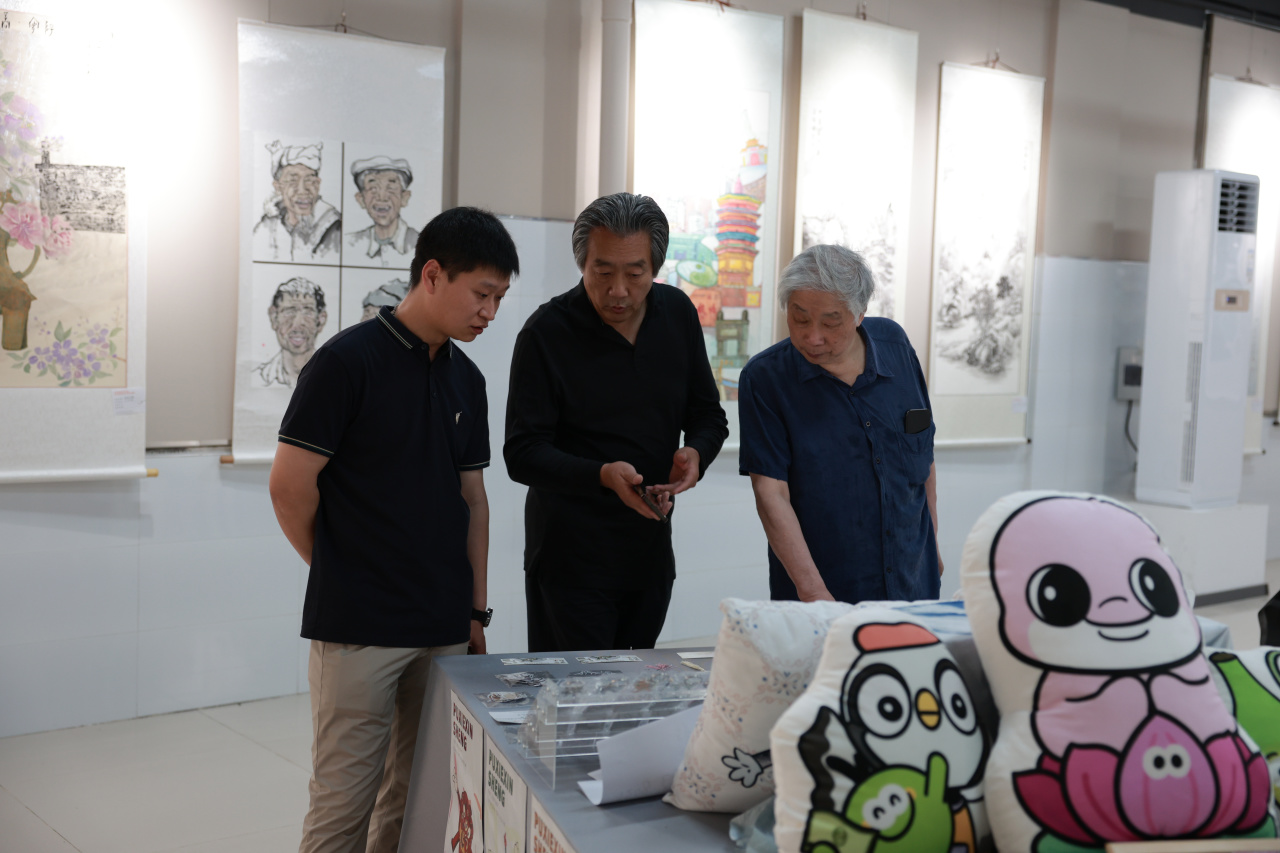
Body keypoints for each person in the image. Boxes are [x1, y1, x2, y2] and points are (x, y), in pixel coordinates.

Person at [269, 207, 518, 853]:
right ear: (432, 275)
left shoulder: (467, 378)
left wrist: (475, 611)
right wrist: (341, 568)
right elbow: (289, 487)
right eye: (482, 294)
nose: (490, 312)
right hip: (360, 627)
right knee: (343, 802)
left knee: (414, 799)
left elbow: (474, 501)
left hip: (443, 625)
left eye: (499, 298)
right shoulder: (346, 363)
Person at [504, 192, 729, 653]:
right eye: (602, 272)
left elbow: (708, 414)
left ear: (655, 268)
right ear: (582, 265)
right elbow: (522, 453)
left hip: (648, 555)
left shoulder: (677, 315)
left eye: (634, 273)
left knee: (638, 687)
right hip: (570, 561)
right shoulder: (547, 333)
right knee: (577, 690)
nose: (619, 290)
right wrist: (602, 475)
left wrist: (697, 453)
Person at [738, 244, 941, 605]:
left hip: (913, 586)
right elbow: (770, 494)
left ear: (860, 314)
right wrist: (813, 592)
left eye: (830, 322)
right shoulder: (766, 379)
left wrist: (932, 546)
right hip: (825, 594)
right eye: (800, 319)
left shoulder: (895, 346)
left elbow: (923, 459)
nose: (813, 337)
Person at [254, 141, 342, 261]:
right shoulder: (267, 226)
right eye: (292, 181)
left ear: (318, 184)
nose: (302, 190)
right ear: (278, 187)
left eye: (309, 180)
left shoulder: (333, 225)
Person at [256, 277, 328, 389]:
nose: (297, 324)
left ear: (321, 320)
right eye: (289, 311)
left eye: (308, 312)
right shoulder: (259, 378)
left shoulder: (334, 379)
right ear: (274, 317)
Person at [346, 156, 418, 265]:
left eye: (390, 188)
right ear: (361, 199)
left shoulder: (421, 243)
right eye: (373, 188)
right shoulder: (351, 243)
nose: (382, 197)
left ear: (404, 197)